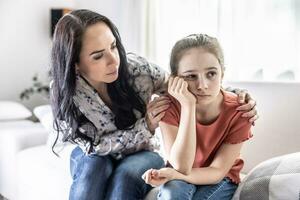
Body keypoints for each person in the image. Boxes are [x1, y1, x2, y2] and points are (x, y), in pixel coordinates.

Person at [50, 9, 257, 200]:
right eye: (98, 56)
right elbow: (93, 147)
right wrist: (146, 126)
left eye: (113, 46)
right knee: (91, 172)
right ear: (74, 63)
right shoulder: (65, 92)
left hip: (140, 153)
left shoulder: (139, 71)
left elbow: (188, 84)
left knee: (127, 177)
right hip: (93, 154)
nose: (114, 60)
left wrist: (236, 95)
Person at [142, 34, 253, 200]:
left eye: (211, 74)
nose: (202, 86)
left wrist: (176, 175)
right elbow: (181, 165)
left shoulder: (240, 110)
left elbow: (216, 172)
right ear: (175, 80)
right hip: (179, 172)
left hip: (219, 178)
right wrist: (188, 106)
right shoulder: (168, 106)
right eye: (191, 76)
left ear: (222, 73)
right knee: (173, 195)